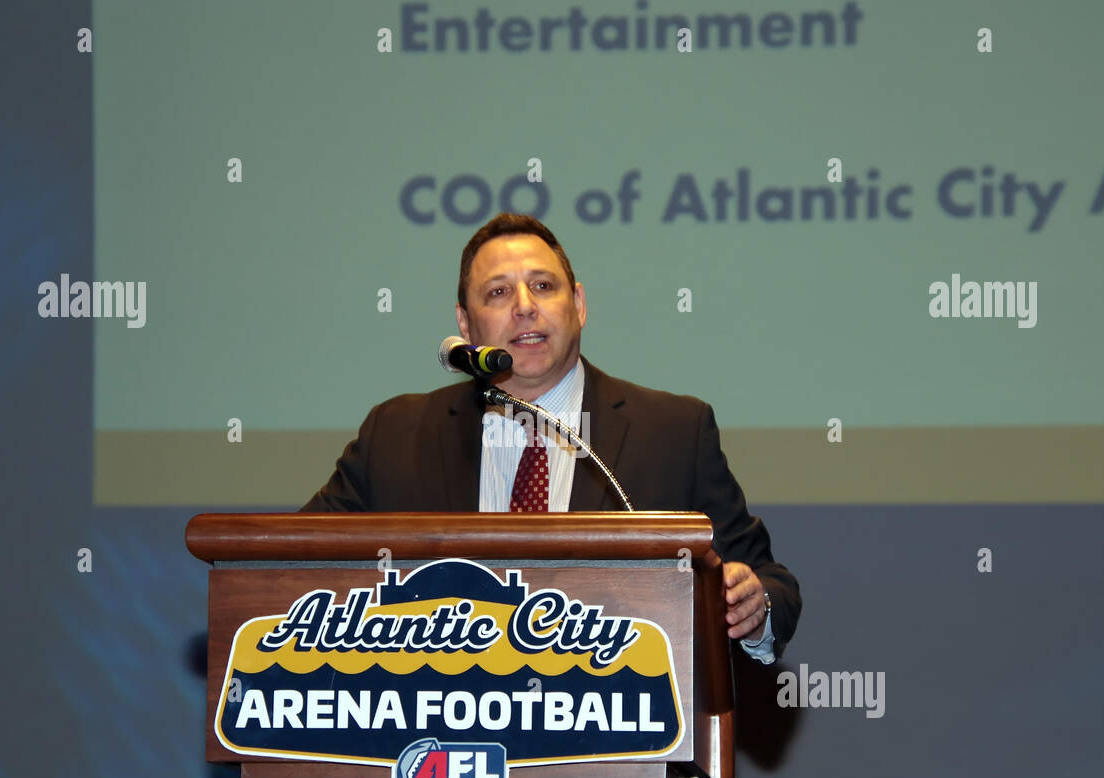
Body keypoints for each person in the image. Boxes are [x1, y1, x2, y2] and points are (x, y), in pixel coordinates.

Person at [301, 212, 801, 662]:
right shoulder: (396, 434)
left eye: (543, 286)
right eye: (498, 292)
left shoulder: (672, 431)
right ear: (464, 324)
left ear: (578, 304)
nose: (525, 307)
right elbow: (291, 565)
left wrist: (753, 605)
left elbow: (767, 581)